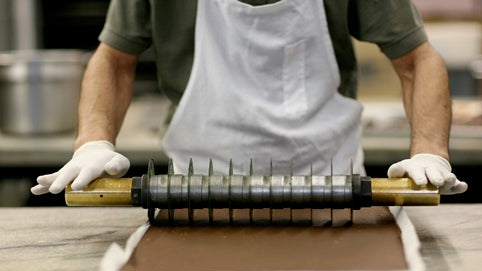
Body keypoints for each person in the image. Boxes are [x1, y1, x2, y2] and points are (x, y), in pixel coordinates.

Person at [31, 0, 467, 197]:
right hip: (196, 196)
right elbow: (114, 58)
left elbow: (417, 60)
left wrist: (430, 152)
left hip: (332, 193)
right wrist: (93, 141)